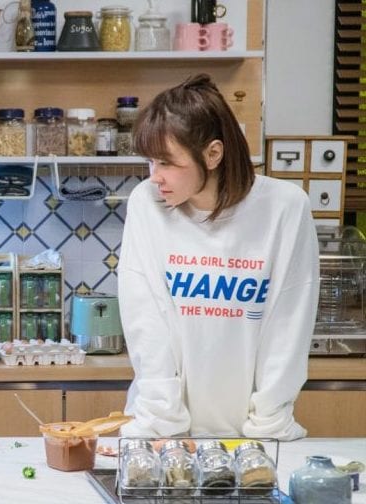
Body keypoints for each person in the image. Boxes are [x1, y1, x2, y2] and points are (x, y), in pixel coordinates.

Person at [117, 74, 319, 441]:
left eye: (166, 163)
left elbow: (288, 324)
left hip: (254, 433)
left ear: (213, 154)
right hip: (162, 429)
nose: (154, 177)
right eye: (150, 162)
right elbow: (144, 320)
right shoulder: (146, 203)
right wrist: (163, 420)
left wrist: (267, 423)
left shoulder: (285, 208)